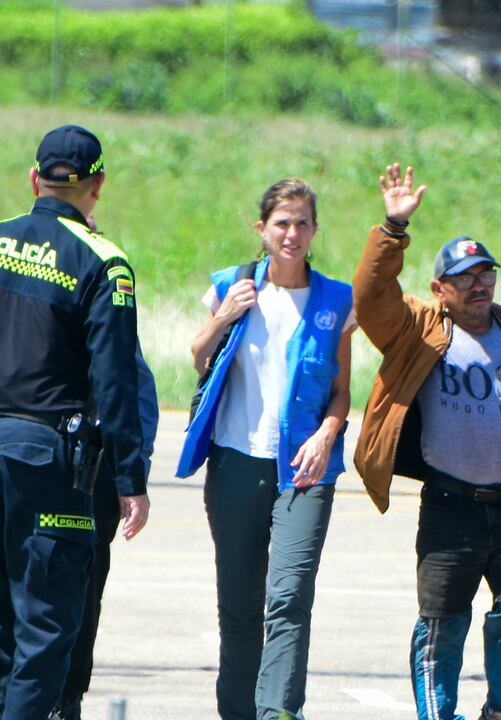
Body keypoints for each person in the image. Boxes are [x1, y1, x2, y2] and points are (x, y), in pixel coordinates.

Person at [0, 124, 150, 719]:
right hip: (45, 455)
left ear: (33, 178)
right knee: (45, 622)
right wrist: (130, 477)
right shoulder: (105, 262)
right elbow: (114, 379)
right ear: (97, 186)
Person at [351, 164, 501, 720]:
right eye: (465, 278)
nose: (479, 285)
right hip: (450, 506)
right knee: (441, 623)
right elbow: (370, 299)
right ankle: (438, 714)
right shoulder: (417, 327)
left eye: (486, 274)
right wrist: (392, 228)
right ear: (440, 289)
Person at [176, 177, 356, 720]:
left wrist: (328, 434)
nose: (293, 234)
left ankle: (278, 711)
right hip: (235, 463)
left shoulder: (336, 299)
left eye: (303, 223)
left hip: (304, 469)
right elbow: (199, 356)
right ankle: (237, 712)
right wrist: (225, 313)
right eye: (282, 223)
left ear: (315, 230)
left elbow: (343, 391)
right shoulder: (233, 285)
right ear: (262, 229)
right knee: (239, 605)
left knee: (289, 596)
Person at [52, 352, 159, 720]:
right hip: (20, 455)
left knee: (84, 585)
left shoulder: (102, 295)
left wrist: (133, 468)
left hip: (90, 467)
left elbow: (136, 386)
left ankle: (67, 698)